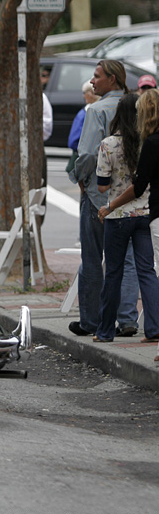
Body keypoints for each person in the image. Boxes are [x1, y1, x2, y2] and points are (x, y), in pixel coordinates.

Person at [68, 60, 129, 336]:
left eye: (97, 77)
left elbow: (88, 154)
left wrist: (80, 177)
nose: (92, 82)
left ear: (112, 79)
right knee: (127, 260)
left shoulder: (97, 110)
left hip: (99, 193)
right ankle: (127, 319)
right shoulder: (136, 106)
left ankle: (91, 321)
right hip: (132, 194)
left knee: (92, 258)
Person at [92, 93, 159, 343]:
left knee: (113, 273)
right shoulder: (148, 142)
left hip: (117, 215)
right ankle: (153, 328)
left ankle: (105, 330)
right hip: (144, 214)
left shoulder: (108, 144)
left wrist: (110, 202)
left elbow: (101, 186)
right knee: (147, 272)